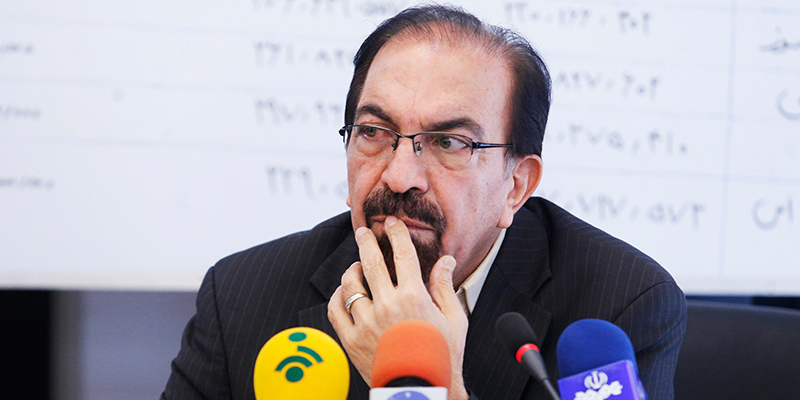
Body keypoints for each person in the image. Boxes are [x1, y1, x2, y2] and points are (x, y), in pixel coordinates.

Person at [162, 5, 686, 400]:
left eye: (448, 142)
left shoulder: (618, 309)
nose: (399, 175)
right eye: (374, 132)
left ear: (516, 186)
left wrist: (431, 382)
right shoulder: (241, 298)